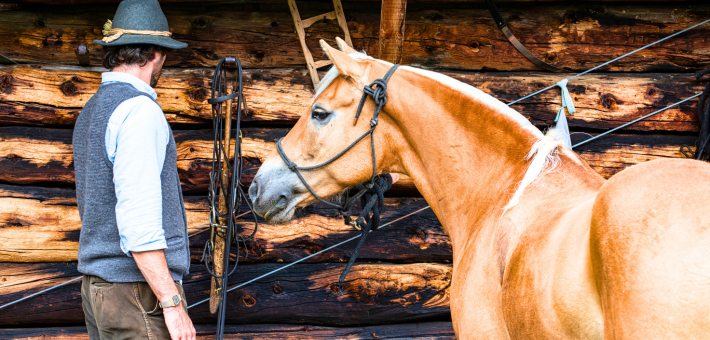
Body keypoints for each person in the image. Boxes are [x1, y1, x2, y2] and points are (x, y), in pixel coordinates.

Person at [72, 0, 195, 339]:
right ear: (157, 54)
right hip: (136, 293)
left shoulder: (92, 109)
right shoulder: (139, 110)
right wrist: (172, 304)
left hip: (99, 289)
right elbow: (138, 222)